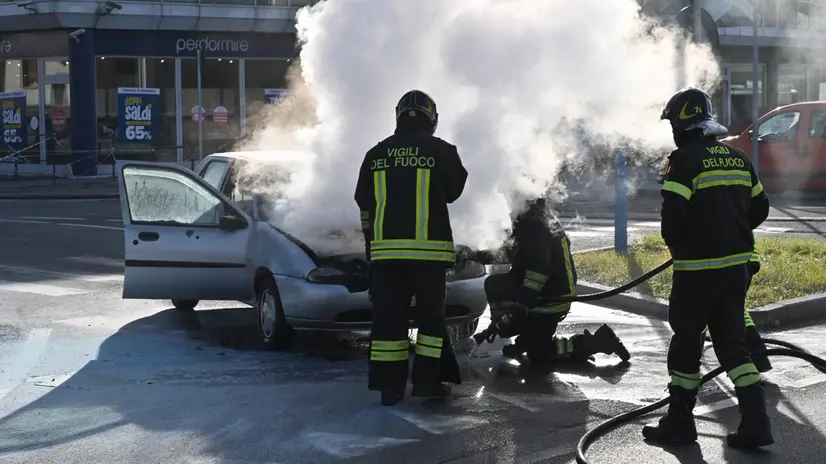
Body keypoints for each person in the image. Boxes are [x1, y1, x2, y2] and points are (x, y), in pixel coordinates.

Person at [642, 87, 774, 449]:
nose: (671, 131)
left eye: (672, 123)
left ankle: (681, 424)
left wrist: (694, 243)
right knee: (734, 348)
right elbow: (760, 208)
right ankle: (757, 424)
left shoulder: (682, 161)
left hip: (697, 275)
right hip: (736, 272)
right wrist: (729, 232)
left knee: (686, 345)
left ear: (682, 124)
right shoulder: (737, 157)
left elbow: (673, 224)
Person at [354, 89, 469, 406]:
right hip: (429, 257)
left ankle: (389, 389)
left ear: (398, 116)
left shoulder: (376, 154)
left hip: (386, 257)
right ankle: (428, 384)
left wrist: (371, 244)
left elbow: (364, 204)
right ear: (432, 118)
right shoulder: (441, 150)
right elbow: (453, 191)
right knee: (431, 322)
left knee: (388, 321)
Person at [475, 197, 631, 365]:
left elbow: (540, 268)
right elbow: (512, 254)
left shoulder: (534, 225)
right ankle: (524, 337)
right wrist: (475, 256)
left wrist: (521, 306)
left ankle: (598, 342)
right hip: (551, 293)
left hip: (550, 300)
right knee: (496, 285)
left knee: (539, 355)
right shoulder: (537, 218)